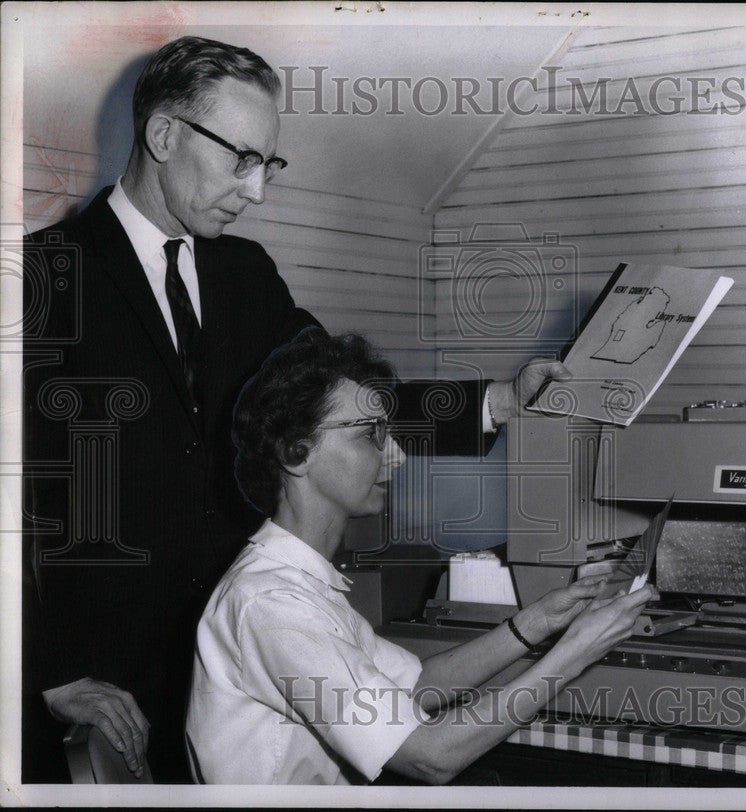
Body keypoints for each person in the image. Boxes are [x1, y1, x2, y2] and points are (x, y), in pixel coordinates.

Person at [21, 35, 568, 783]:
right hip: (105, 695)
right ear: (163, 134)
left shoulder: (247, 272)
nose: (256, 191)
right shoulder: (42, 278)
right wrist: (44, 675)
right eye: (241, 159)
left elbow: (342, 398)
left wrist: (498, 400)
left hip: (244, 683)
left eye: (267, 165)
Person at [185, 328, 654, 784]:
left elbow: (414, 687)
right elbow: (430, 757)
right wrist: (576, 653)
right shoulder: (270, 605)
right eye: (371, 435)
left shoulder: (300, 584)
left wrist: (535, 624)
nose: (397, 457)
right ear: (297, 452)